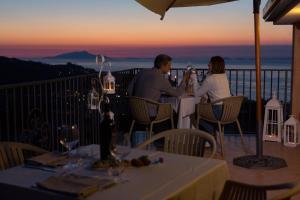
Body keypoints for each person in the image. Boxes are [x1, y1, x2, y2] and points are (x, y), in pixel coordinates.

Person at [192, 56, 231, 133]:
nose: (208, 65)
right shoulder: (224, 76)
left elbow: (196, 93)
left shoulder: (211, 79)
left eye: (210, 64)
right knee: (200, 108)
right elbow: (210, 89)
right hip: (228, 110)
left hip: (218, 112)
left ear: (214, 66)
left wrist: (194, 77)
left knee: (194, 112)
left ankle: (210, 132)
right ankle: (213, 131)